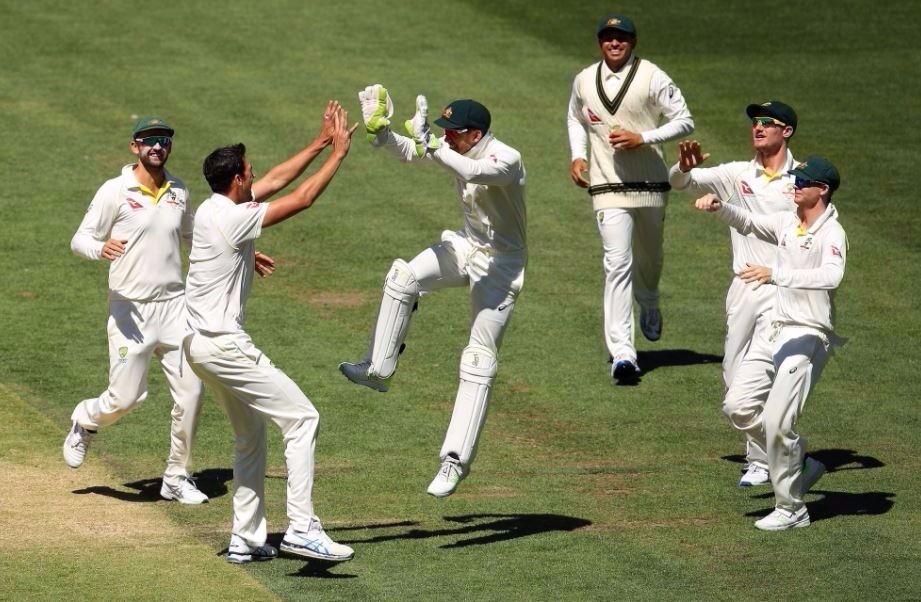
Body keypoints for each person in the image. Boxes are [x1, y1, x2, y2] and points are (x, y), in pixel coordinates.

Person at [183, 102, 357, 563]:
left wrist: (318, 143)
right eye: (250, 172)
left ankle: (245, 540)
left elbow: (277, 180)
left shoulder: (211, 210)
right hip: (224, 346)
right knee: (302, 419)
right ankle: (302, 528)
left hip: (198, 347)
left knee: (251, 436)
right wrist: (338, 154)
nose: (255, 176)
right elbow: (300, 199)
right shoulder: (235, 218)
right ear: (237, 179)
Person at [339, 85, 526, 498]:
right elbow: (414, 151)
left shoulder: (506, 158)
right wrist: (383, 132)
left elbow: (474, 173)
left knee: (478, 358)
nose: (447, 136)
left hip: (501, 264)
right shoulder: (455, 146)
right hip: (464, 245)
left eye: (454, 132)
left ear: (475, 135)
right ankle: (378, 369)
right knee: (403, 276)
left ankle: (454, 461)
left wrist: (429, 143)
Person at [692, 156, 845, 531]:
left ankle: (792, 509)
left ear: (821, 190)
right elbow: (749, 222)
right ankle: (799, 463)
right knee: (739, 406)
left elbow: (832, 275)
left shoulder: (832, 232)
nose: (795, 187)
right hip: (773, 330)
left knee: (778, 421)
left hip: (807, 333)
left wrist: (774, 273)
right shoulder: (785, 222)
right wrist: (720, 206)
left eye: (802, 183)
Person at [64, 116, 209, 504]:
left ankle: (177, 477)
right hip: (131, 311)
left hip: (175, 309)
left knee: (192, 393)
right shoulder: (115, 190)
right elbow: (80, 238)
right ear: (135, 147)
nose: (157, 147)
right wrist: (101, 249)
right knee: (126, 398)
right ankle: (85, 419)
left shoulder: (179, 191)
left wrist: (241, 256)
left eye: (164, 140)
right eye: (149, 141)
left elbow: (195, 239)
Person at [669, 101, 799, 487]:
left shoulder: (802, 179)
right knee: (732, 373)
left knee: (767, 376)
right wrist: (684, 167)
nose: (757, 128)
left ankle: (762, 459)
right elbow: (678, 183)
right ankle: (768, 450)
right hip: (743, 287)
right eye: (755, 122)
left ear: (786, 131)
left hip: (780, 287)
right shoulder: (738, 174)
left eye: (767, 123)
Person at [567, 12, 694, 382]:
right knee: (617, 263)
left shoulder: (653, 76)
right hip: (607, 188)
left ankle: (650, 300)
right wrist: (579, 155)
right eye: (608, 37)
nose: (614, 43)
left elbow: (684, 120)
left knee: (650, 259)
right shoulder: (584, 80)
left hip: (651, 185)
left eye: (621, 37)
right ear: (600, 42)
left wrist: (643, 138)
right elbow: (575, 117)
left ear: (632, 42)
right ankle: (624, 354)